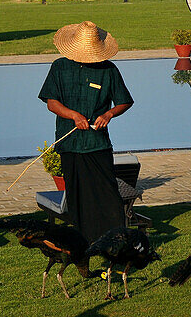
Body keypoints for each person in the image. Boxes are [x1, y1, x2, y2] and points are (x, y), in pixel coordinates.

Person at [38, 21, 133, 243]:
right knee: (77, 195)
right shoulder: (59, 67)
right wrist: (73, 115)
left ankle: (115, 238)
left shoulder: (108, 69)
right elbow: (51, 102)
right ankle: (84, 240)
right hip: (70, 144)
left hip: (97, 143)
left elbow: (124, 101)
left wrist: (109, 115)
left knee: (107, 193)